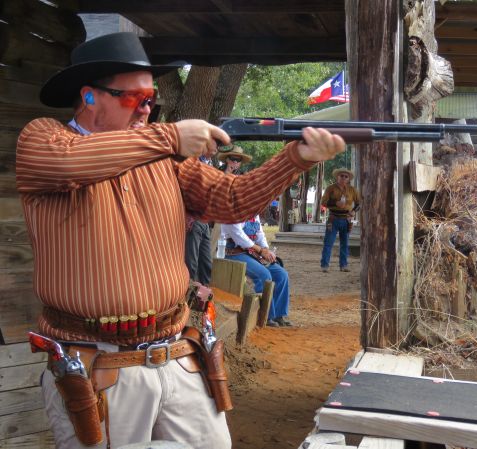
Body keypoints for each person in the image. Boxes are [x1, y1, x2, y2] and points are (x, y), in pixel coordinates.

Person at [16, 32, 345, 449]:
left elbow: (232, 200)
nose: (146, 108)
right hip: (96, 362)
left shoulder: (165, 161)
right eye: (133, 98)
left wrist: (296, 158)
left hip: (176, 351)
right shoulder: (44, 137)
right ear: (89, 96)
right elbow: (67, 162)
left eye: (150, 98)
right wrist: (170, 137)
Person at [218, 150, 291, 327]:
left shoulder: (252, 208)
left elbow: (258, 232)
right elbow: (238, 236)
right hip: (233, 252)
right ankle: (265, 316)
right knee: (264, 275)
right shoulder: (230, 206)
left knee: (281, 274)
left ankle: (279, 314)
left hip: (250, 252)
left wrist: (266, 250)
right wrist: (260, 250)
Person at [320, 168, 361, 273]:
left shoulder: (352, 190)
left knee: (345, 243)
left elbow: (359, 203)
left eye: (346, 176)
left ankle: (343, 265)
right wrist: (335, 203)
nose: (343, 178)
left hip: (346, 219)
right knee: (328, 242)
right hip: (333, 218)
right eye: (341, 176)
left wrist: (354, 211)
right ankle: (325, 265)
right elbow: (323, 202)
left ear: (348, 179)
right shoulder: (330, 188)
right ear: (337, 177)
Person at [185, 156, 214, 285]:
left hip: (204, 220)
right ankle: (188, 291)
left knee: (206, 263)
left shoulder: (209, 162)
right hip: (193, 219)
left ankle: (205, 291)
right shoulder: (192, 162)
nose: (216, 148)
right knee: (191, 262)